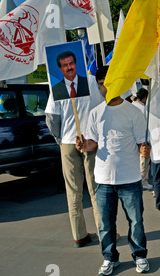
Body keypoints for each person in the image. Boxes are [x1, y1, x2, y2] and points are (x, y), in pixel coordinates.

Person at [76, 66, 151, 275]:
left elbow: (142, 144)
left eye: (108, 82)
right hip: (103, 179)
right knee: (106, 224)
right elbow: (92, 144)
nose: (105, 87)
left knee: (135, 222)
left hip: (130, 178)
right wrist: (83, 146)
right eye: (101, 83)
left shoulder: (133, 112)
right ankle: (110, 257)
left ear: (119, 82)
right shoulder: (95, 113)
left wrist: (146, 149)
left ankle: (140, 255)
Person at [45, 60, 103, 248]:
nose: (69, 67)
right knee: (95, 190)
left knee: (75, 191)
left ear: (76, 63)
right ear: (61, 68)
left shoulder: (60, 87)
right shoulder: (92, 82)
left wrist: (61, 139)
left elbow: (51, 119)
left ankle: (80, 235)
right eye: (64, 65)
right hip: (87, 141)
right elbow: (102, 111)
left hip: (74, 142)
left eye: (71, 63)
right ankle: (103, 233)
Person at [132, 88, 153, 191]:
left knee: (135, 161)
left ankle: (136, 180)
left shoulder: (130, 106)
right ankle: (143, 181)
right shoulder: (144, 109)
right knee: (144, 161)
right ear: (145, 98)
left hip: (131, 138)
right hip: (143, 137)